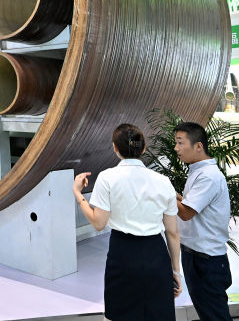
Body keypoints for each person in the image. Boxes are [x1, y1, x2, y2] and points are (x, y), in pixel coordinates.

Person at [73, 123, 182, 321]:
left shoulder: (107, 178)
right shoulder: (163, 181)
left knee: (120, 314)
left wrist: (78, 194)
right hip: (156, 254)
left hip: (122, 253)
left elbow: (98, 223)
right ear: (143, 148)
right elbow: (173, 233)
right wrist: (176, 271)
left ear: (115, 148)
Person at [174, 121, 233, 321]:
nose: (176, 148)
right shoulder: (198, 171)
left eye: (180, 142)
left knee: (215, 316)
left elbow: (186, 213)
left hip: (206, 261)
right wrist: (174, 196)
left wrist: (163, 191)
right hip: (197, 256)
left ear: (198, 146)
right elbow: (189, 204)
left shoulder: (208, 176)